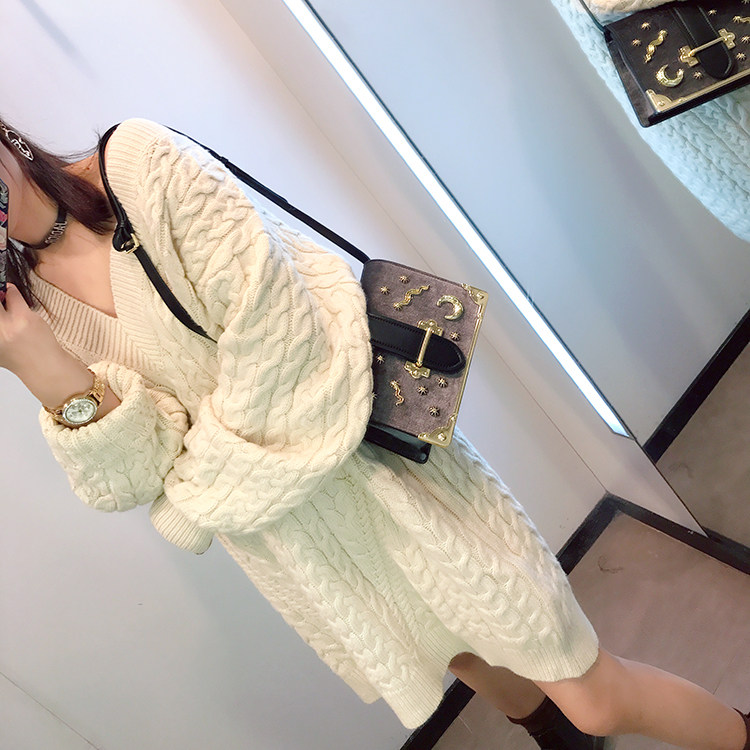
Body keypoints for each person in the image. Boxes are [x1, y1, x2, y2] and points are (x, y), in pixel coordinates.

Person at [0, 116, 746, 750]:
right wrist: (43, 370)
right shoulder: (27, 312)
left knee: (593, 694)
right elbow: (135, 473)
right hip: (315, 551)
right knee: (476, 665)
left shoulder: (139, 164)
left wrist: (191, 506)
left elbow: (287, 353)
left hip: (388, 477)